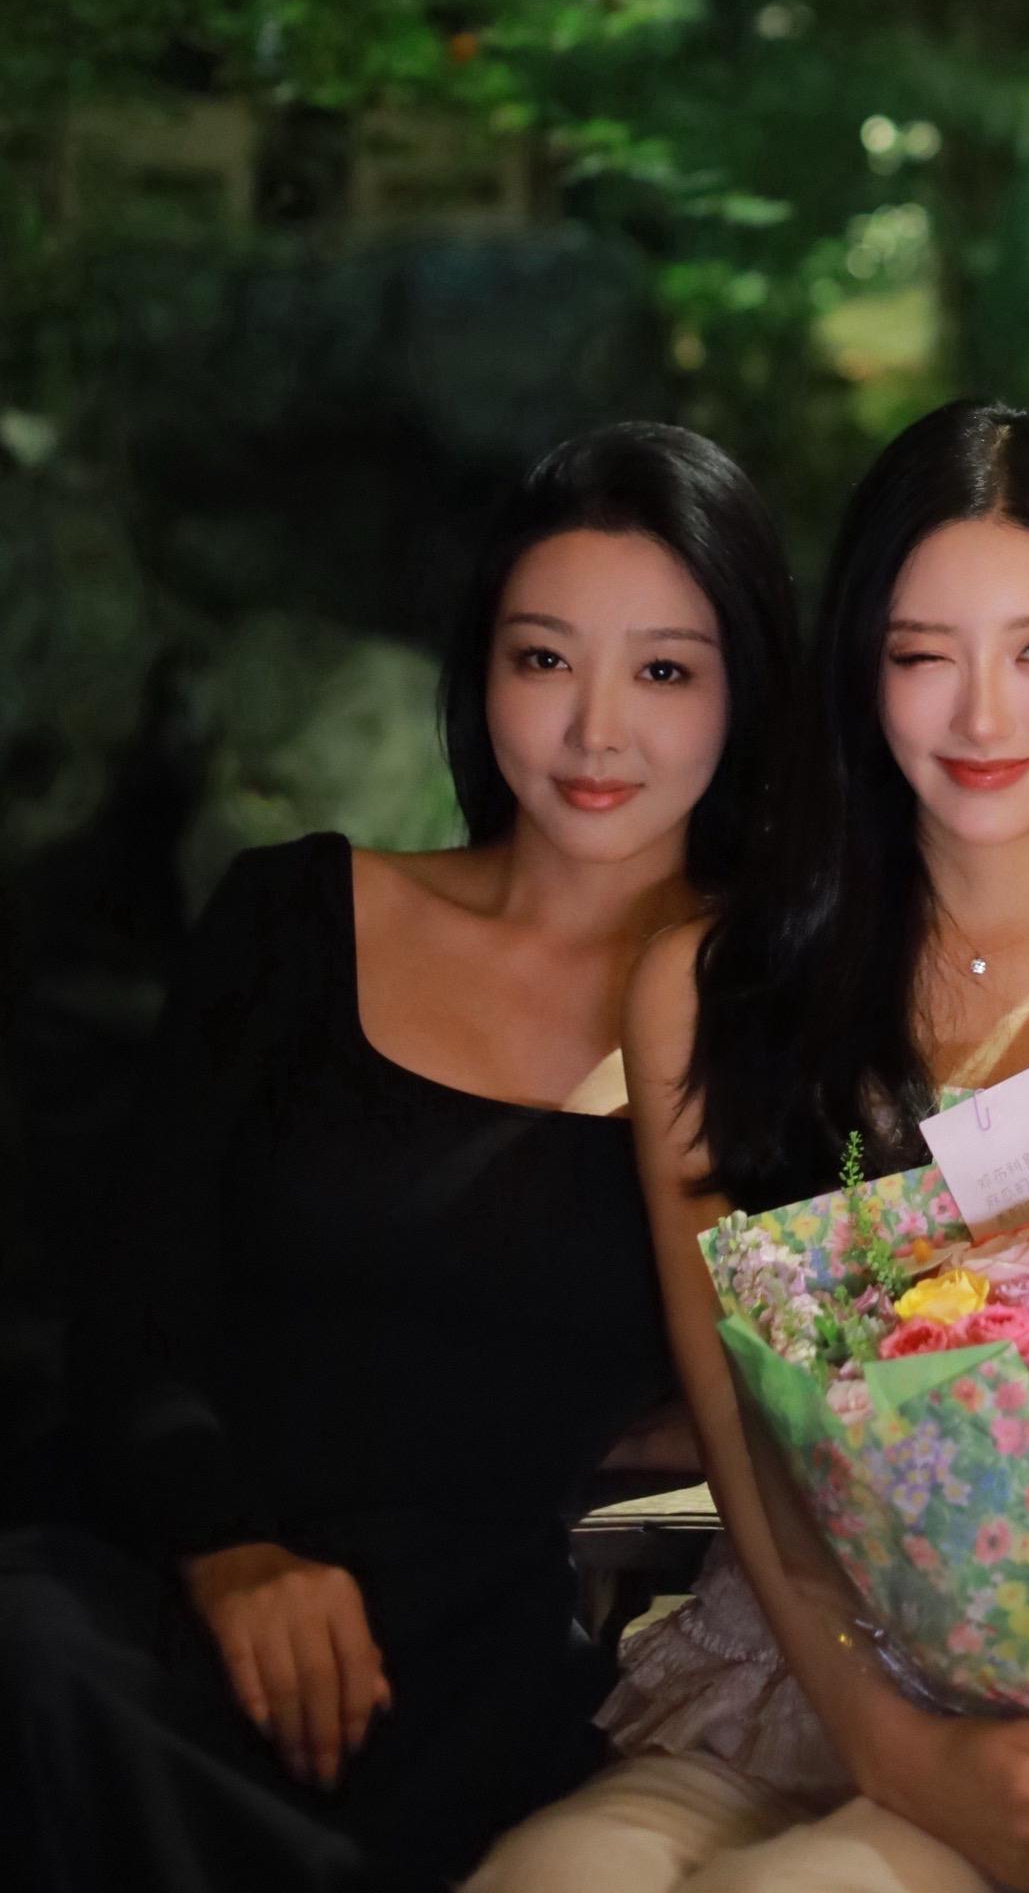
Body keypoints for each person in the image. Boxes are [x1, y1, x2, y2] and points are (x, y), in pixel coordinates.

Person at [470, 399, 1029, 1893]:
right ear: (861, 666)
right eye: (923, 654)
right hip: (796, 1665)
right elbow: (743, 1438)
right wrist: (894, 1747)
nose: (982, 719)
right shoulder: (717, 989)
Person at [0, 420, 799, 1893]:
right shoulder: (296, 919)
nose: (596, 733)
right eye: (544, 659)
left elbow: (818, 1375)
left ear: (745, 691)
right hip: (170, 1592)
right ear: (480, 668)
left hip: (478, 1659)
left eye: (665, 673)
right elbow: (124, 1312)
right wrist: (231, 1552)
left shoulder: (764, 1024)